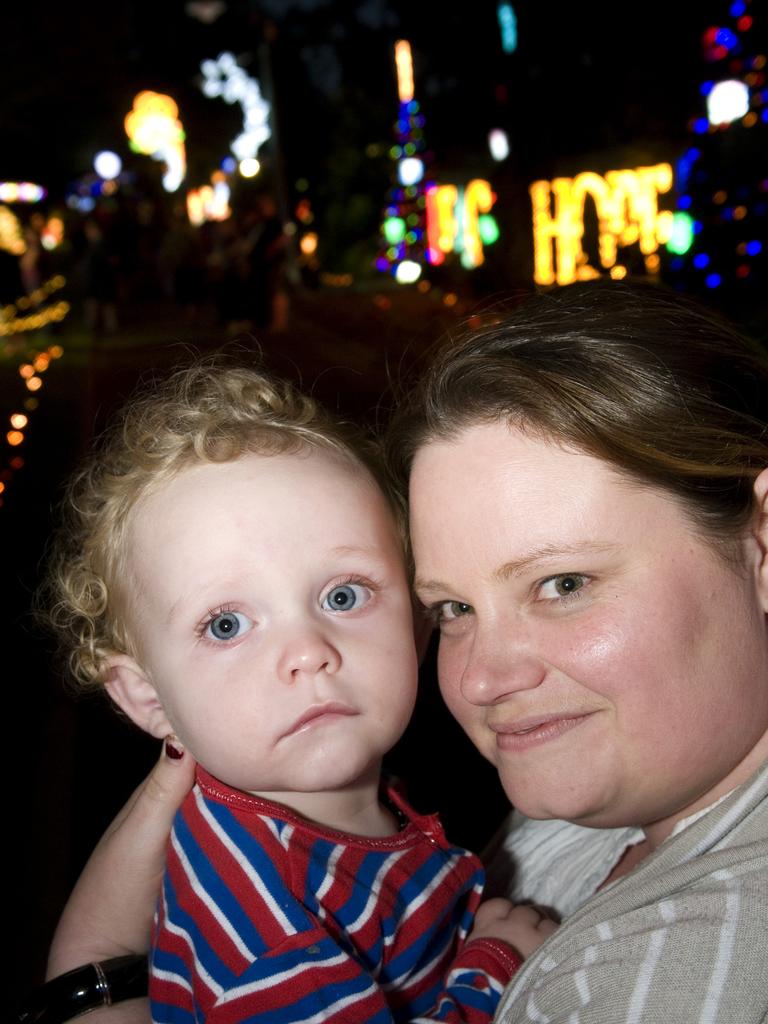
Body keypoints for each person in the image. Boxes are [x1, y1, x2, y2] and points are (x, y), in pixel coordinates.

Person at [40, 280, 768, 1022]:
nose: (483, 679)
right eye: (454, 606)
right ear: (143, 695)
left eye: (564, 582)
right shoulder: (268, 900)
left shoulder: (685, 971)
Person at [39, 364, 547, 1024]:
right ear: (148, 699)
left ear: (418, 622)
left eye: (343, 595)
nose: (308, 650)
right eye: (226, 624)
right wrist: (493, 964)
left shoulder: (306, 816)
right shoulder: (261, 928)